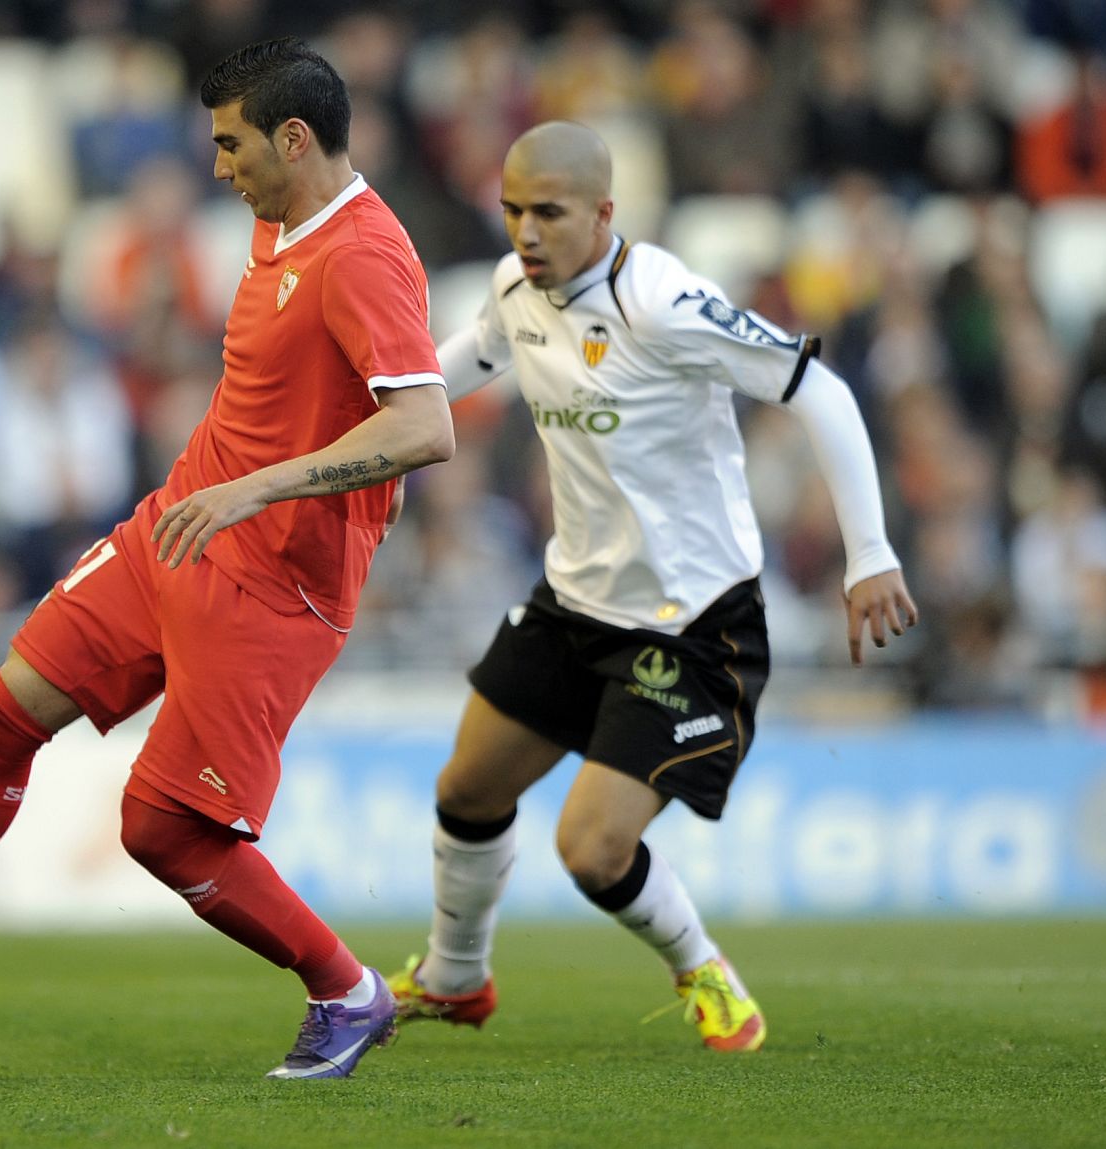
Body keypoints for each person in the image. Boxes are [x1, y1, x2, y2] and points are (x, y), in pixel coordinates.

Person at [0, 38, 454, 1081]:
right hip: (176, 530)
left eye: (232, 145)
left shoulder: (361, 254)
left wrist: (255, 487)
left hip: (270, 583)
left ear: (293, 138)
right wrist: (215, 484)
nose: (220, 167)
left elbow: (423, 428)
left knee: (163, 829)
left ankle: (345, 990)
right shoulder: (279, 222)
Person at [387, 122, 917, 1053]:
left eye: (548, 212)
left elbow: (820, 392)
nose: (525, 232)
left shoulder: (664, 302)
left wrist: (868, 553)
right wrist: (385, 403)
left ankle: (704, 967)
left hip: (690, 625)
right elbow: (476, 350)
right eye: (512, 210)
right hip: (574, 602)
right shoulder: (517, 287)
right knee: (467, 787)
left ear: (604, 213)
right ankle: (454, 977)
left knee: (592, 850)